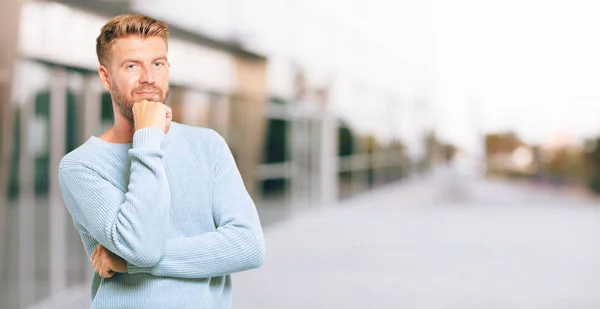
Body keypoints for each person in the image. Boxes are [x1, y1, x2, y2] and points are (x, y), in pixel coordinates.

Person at [58, 14, 265, 309]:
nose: (149, 78)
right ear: (105, 77)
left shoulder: (207, 145)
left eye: (158, 63)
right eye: (132, 66)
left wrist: (128, 263)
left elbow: (249, 246)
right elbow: (141, 248)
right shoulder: (81, 166)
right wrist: (147, 139)